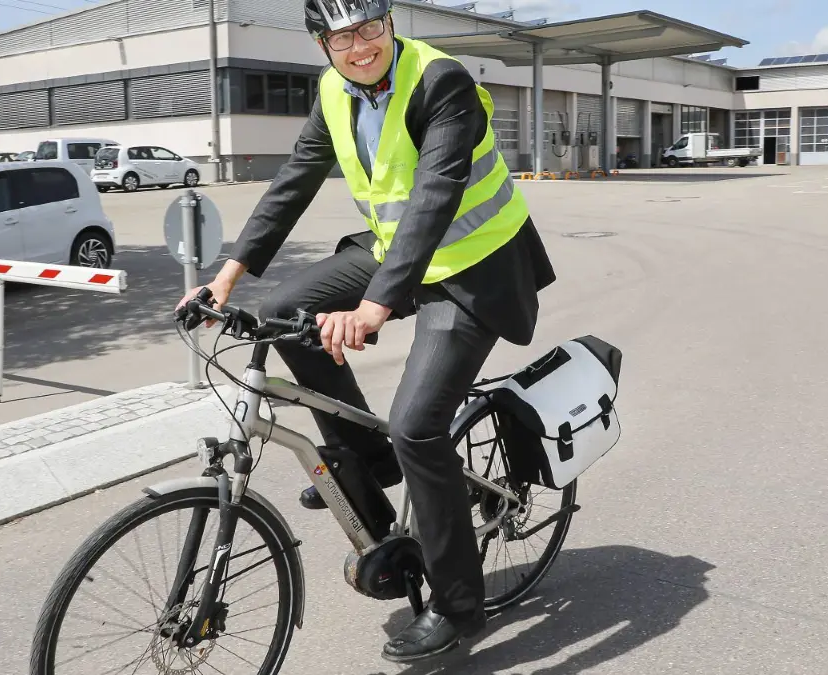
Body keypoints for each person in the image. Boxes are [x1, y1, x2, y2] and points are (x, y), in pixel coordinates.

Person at [177, 0, 556, 663]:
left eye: (369, 29)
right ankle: (369, 461)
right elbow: (294, 179)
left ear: (389, 25)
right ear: (321, 43)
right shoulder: (333, 89)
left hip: (475, 267)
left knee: (417, 424)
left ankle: (458, 603)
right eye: (341, 37)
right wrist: (227, 276)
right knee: (280, 316)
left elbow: (436, 191)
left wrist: (376, 306)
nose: (358, 47)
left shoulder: (442, 82)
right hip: (395, 255)